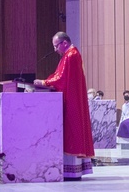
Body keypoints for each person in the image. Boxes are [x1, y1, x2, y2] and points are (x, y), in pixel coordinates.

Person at [33, 32, 94, 180]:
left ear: (64, 43)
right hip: (70, 99)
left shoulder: (71, 55)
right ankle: (70, 170)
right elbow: (59, 75)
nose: (55, 50)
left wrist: (44, 83)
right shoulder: (69, 55)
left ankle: (72, 171)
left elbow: (61, 79)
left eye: (56, 46)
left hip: (71, 101)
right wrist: (47, 81)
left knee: (72, 131)